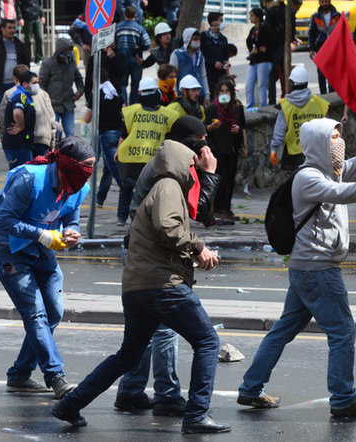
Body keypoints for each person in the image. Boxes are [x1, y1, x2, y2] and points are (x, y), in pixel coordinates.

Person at [237, 99, 356, 418]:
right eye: (333, 136)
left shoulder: (334, 171)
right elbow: (344, 194)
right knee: (342, 331)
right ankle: (343, 399)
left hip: (308, 268)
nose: (340, 140)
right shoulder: (309, 178)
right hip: (317, 269)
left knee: (283, 329)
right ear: (317, 143)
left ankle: (250, 388)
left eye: (339, 135)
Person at [52, 141, 231, 435]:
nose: (195, 172)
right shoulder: (169, 187)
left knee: (128, 355)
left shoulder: (163, 187)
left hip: (139, 287)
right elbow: (168, 228)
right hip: (163, 286)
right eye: (192, 167)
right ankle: (197, 415)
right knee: (208, 342)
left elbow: (166, 232)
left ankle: (70, 404)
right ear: (183, 164)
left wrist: (195, 252)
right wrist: (198, 246)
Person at [114, 116, 221, 416]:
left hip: (142, 251)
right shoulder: (171, 169)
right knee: (165, 330)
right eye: (202, 141)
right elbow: (198, 211)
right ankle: (168, 395)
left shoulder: (165, 160)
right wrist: (209, 174)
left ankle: (132, 391)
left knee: (145, 333)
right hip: (153, 255)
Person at [0, 137, 94, 400]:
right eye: (85, 167)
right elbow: (5, 220)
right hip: (7, 247)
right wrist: (43, 235)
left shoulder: (79, 187)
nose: (88, 175)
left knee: (53, 310)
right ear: (66, 166)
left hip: (40, 246)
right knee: (35, 314)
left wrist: (72, 231)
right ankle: (55, 376)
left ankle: (19, 374)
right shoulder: (29, 178)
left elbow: (70, 216)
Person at [115, 77, 179, 225]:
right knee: (149, 189)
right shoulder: (168, 114)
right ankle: (146, 217)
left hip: (132, 157)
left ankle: (121, 217)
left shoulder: (131, 112)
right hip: (154, 159)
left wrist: (118, 151)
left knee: (127, 187)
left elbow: (124, 134)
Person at [84, 68, 127, 224]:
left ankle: (128, 195)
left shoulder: (96, 95)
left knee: (115, 170)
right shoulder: (116, 94)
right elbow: (124, 114)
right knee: (108, 168)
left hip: (106, 135)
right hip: (119, 134)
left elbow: (87, 119)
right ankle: (100, 197)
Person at [270, 66, 330, 174]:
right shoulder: (317, 102)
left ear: (292, 84)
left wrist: (274, 150)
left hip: (294, 154)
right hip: (315, 151)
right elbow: (326, 126)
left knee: (296, 185)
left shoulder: (286, 105)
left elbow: (279, 131)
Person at [205, 78, 248, 221]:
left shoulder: (235, 108)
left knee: (230, 179)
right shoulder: (212, 108)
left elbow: (242, 127)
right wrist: (212, 127)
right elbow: (204, 128)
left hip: (231, 148)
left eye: (226, 91)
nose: (224, 93)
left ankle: (227, 208)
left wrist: (242, 142)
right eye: (221, 91)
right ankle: (218, 209)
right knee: (220, 179)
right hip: (217, 147)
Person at [0, 18, 30, 143]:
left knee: (17, 111)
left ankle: (15, 138)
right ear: (2, 29)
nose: (12, 30)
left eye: (13, 28)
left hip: (16, 86)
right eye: (9, 28)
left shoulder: (19, 45)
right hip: (0, 86)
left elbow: (26, 65)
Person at [0, 64, 58, 159]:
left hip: (20, 141)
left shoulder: (11, 93)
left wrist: (5, 140)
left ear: (15, 78)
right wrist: (52, 142)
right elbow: (52, 120)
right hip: (42, 139)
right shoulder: (43, 94)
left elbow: (2, 120)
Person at [39, 38, 84, 138]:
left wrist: (80, 91)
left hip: (68, 104)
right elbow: (42, 84)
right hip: (52, 105)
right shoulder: (48, 64)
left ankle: (68, 152)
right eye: (66, 50)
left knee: (70, 133)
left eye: (70, 50)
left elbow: (78, 78)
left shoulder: (72, 63)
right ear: (60, 50)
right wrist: (44, 102)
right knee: (53, 134)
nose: (68, 53)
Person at [2, 71, 38, 169]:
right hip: (18, 143)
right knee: (23, 175)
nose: (37, 86)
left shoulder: (26, 96)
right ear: (25, 84)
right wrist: (21, 126)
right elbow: (17, 112)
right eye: (34, 83)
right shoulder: (20, 95)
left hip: (20, 143)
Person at [116, 5, 151, 105]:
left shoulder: (118, 27)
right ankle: (133, 106)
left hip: (121, 61)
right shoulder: (140, 28)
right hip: (136, 60)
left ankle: (123, 106)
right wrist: (138, 49)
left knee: (122, 85)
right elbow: (147, 43)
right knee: (135, 85)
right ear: (135, 15)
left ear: (124, 14)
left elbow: (113, 43)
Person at [308, 0, 341, 94]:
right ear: (319, 2)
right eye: (322, 2)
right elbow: (311, 33)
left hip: (334, 48)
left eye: (326, 1)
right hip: (321, 48)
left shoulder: (337, 15)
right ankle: (323, 95)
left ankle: (332, 94)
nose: (324, 4)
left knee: (333, 73)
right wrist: (311, 49)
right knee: (321, 73)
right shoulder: (315, 17)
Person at [170, 28, 210, 104]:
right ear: (187, 39)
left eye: (199, 39)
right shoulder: (177, 54)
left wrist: (207, 94)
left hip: (198, 94)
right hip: (182, 94)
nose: (197, 42)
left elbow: (203, 75)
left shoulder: (200, 56)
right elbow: (172, 76)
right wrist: (174, 94)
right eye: (195, 39)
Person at [245, 8, 275, 109]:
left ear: (258, 17)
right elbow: (249, 41)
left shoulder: (265, 28)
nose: (250, 18)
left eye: (252, 16)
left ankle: (263, 106)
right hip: (254, 61)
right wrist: (252, 50)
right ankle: (250, 106)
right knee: (249, 85)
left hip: (264, 61)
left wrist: (265, 50)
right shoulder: (253, 30)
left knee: (262, 85)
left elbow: (272, 43)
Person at [201, 12, 229, 101]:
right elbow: (202, 56)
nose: (222, 23)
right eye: (221, 20)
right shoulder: (204, 37)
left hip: (221, 74)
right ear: (213, 22)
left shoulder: (223, 39)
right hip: (209, 74)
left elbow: (226, 55)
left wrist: (226, 63)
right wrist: (213, 63)